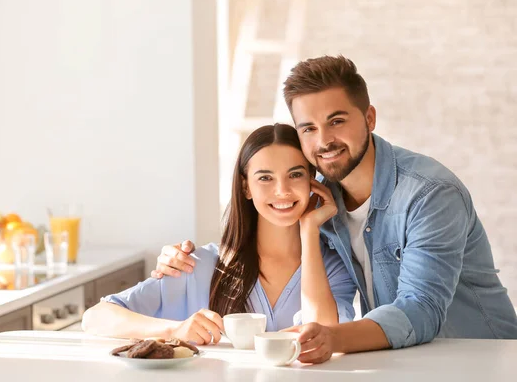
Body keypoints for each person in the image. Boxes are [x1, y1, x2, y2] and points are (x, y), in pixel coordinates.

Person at [152, 55, 517, 363]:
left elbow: (421, 308)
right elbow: (263, 232)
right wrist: (177, 261)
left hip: (483, 361)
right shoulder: (323, 202)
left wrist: (333, 338)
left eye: (336, 121)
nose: (323, 141)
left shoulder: (429, 194)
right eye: (308, 128)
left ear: (370, 118)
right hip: (407, 363)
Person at [82, 124, 356, 350]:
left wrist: (309, 230)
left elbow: (324, 340)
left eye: (295, 175)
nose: (282, 190)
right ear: (246, 187)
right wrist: (174, 329)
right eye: (265, 178)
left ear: (312, 181)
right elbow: (96, 317)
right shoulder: (198, 264)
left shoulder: (333, 269)